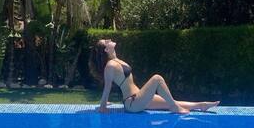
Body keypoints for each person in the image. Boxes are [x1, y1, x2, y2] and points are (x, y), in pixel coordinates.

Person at [89, 38, 220, 114]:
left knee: (170, 102)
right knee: (157, 79)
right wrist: (103, 106)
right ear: (106, 49)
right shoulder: (110, 66)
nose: (109, 39)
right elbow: (107, 87)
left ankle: (201, 105)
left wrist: (105, 103)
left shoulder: (116, 60)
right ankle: (175, 108)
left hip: (139, 97)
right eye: (106, 41)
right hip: (132, 103)